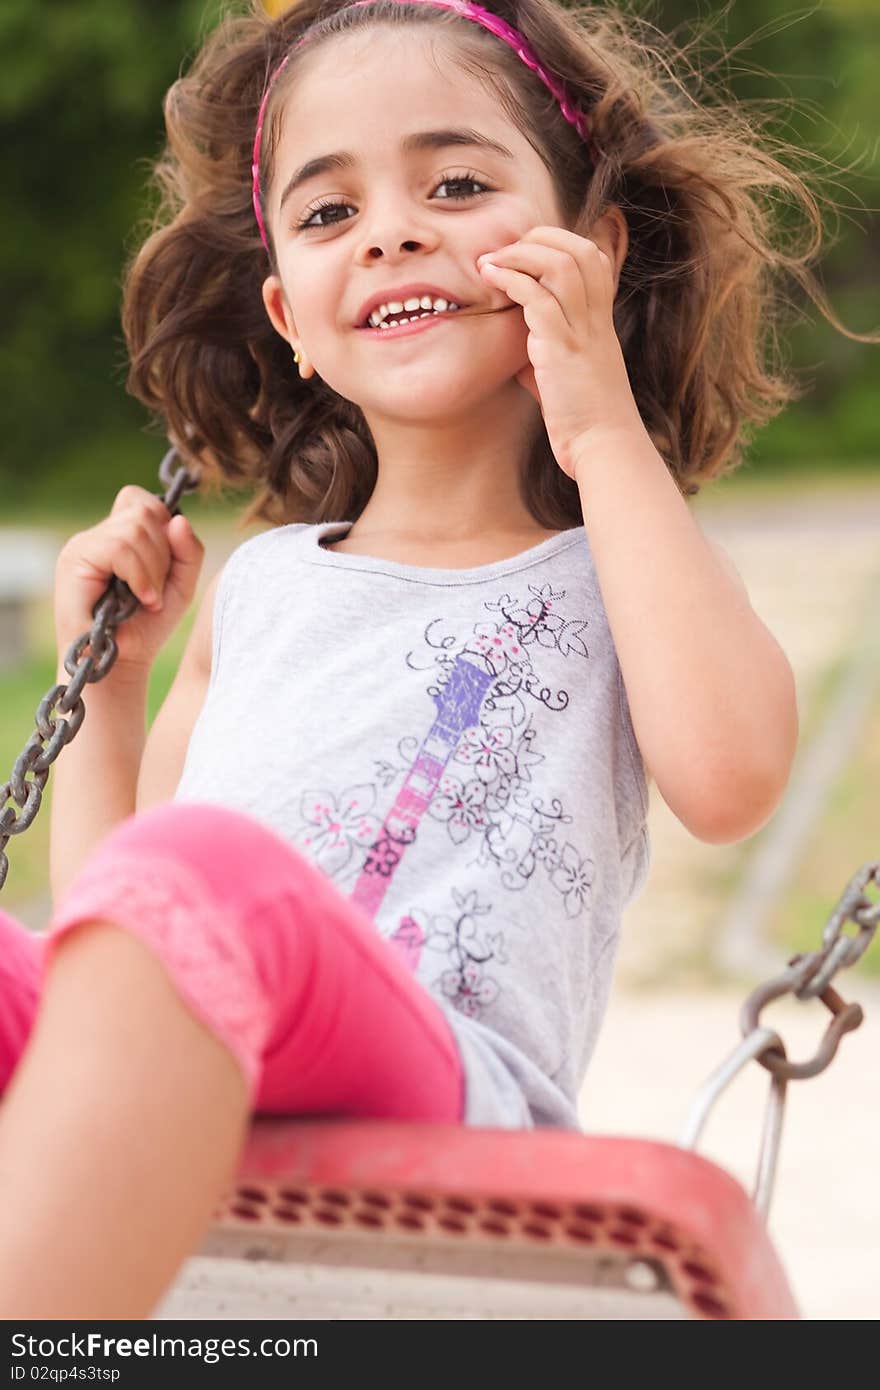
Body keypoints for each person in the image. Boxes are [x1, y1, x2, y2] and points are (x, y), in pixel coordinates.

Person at [2, 0, 867, 1320]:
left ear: (592, 246)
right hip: (220, 1059)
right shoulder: (268, 589)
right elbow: (117, 936)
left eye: (457, 183)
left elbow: (734, 774)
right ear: (292, 314)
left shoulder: (623, 558)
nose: (395, 230)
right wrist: (107, 698)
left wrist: (603, 424)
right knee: (144, 907)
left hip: (453, 1100)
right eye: (331, 211)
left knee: (210, 875)